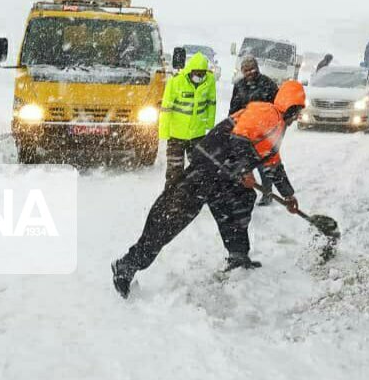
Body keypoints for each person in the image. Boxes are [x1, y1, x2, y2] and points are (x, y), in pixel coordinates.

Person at [111, 81, 307, 298]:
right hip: (208, 167)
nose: (297, 117)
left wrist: (288, 194)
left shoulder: (277, 127)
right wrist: (245, 171)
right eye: (297, 111)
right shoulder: (266, 112)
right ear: (290, 106)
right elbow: (238, 138)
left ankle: (238, 255)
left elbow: (273, 164)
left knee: (239, 204)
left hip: (224, 175)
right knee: (171, 217)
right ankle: (126, 265)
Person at [159, 52, 217, 186]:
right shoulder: (176, 82)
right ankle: (170, 198)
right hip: (176, 135)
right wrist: (164, 132)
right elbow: (166, 108)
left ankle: (193, 197)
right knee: (174, 171)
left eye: (202, 74)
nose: (200, 77)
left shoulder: (209, 81)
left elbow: (211, 103)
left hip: (197, 134)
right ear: (191, 70)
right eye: (197, 73)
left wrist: (209, 125)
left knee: (198, 169)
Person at [229, 55, 280, 205]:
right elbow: (233, 108)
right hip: (244, 131)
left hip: (264, 132)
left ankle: (267, 193)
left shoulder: (268, 84)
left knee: (265, 164)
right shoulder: (239, 86)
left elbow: (276, 107)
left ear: (257, 68)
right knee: (243, 163)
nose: (249, 73)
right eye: (246, 70)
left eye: (252, 69)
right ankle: (244, 194)